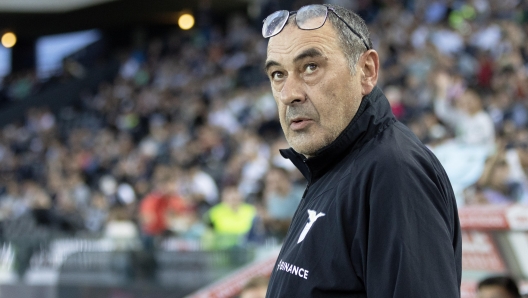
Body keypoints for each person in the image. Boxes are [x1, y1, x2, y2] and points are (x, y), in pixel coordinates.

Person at [261, 4, 461, 297]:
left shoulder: (394, 171)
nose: (289, 93)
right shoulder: (334, 163)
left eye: (311, 67)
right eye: (278, 74)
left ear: (366, 71)